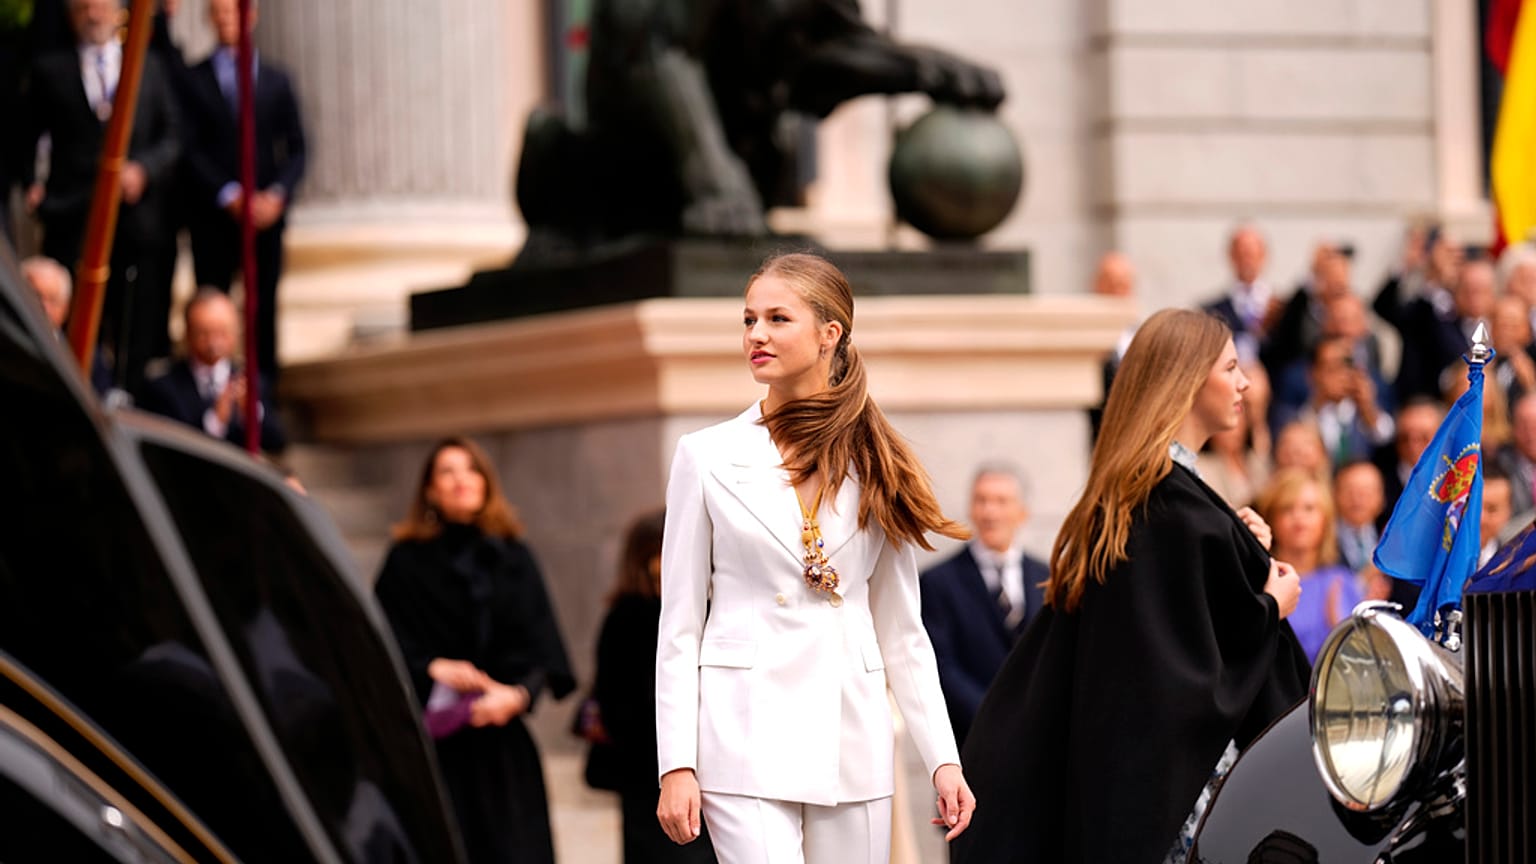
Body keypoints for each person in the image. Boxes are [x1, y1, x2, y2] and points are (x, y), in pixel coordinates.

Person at [952, 308, 1308, 864]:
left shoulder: (1150, 493)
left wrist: (1235, 548)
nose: (1244, 383)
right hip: (1181, 800)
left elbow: (1172, 620)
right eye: (1231, 367)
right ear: (1188, 380)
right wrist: (1270, 604)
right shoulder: (1170, 502)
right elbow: (1177, 666)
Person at [655, 252, 975, 862]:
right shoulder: (706, 456)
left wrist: (943, 758)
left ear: (830, 334)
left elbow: (904, 633)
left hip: (849, 736)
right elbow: (679, 625)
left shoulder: (878, 460)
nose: (756, 335)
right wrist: (677, 764)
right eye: (749, 319)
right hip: (741, 734)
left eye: (778, 318)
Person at [373, 437, 575, 864]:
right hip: (436, 748)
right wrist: (431, 667)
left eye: (471, 469)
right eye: (447, 471)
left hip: (502, 748)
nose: (461, 479)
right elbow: (379, 640)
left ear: (486, 483)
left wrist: (516, 696)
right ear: (429, 490)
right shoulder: (404, 561)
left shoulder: (515, 558)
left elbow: (542, 646)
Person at [24, 0, 182, 397]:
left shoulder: (148, 65)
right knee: (75, 315)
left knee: (134, 316)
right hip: (74, 216)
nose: (93, 15)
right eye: (82, 7)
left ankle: (128, 397)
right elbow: (25, 137)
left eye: (101, 5)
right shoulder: (50, 70)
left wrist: (142, 170)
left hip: (135, 219)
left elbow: (173, 135)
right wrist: (33, 186)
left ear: (119, 11)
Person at [182, 0, 307, 377]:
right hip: (215, 217)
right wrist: (228, 193)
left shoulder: (275, 79)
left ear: (250, 16)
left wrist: (276, 196)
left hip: (265, 217)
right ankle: (211, 387)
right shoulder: (193, 79)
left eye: (233, 11)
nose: (226, 20)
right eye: (218, 12)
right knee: (212, 301)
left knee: (262, 306)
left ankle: (263, 393)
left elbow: (298, 148)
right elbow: (188, 148)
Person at [592, 510, 718, 863]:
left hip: (696, 772)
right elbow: (618, 704)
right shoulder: (629, 617)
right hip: (651, 778)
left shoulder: (709, 609)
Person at [919, 462, 1047, 745]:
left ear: (1022, 512)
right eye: (982, 500)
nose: (990, 512)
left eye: (1001, 501)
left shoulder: (1047, 578)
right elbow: (940, 666)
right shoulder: (938, 582)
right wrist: (993, 719)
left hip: (1038, 743)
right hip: (970, 741)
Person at [139, 288, 286, 452]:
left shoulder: (251, 381)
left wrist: (251, 412)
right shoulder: (164, 387)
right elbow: (168, 449)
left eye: (222, 333)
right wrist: (215, 421)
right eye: (204, 333)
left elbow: (276, 442)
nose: (213, 343)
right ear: (188, 333)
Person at [1255, 468, 1362, 663]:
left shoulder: (1342, 581)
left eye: (1309, 508)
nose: (1299, 517)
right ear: (1271, 519)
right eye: (1287, 508)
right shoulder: (1259, 581)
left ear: (1325, 520)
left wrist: (1338, 629)